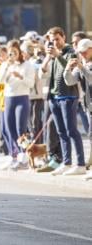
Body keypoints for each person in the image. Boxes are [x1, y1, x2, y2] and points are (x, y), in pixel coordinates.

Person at [41, 26, 85, 176]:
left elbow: (70, 71)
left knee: (71, 131)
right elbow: (45, 74)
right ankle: (66, 163)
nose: (54, 42)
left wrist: (57, 55)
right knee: (61, 132)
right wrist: (48, 58)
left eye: (57, 39)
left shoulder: (71, 52)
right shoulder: (53, 54)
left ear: (63, 37)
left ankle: (80, 164)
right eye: (52, 40)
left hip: (68, 97)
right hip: (54, 98)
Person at [0, 40, 35, 170]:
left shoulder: (27, 65)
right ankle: (16, 155)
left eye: (14, 52)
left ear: (19, 52)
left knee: (20, 129)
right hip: (9, 98)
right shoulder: (7, 65)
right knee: (9, 128)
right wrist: (7, 66)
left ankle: (24, 156)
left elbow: (30, 84)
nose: (12, 55)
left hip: (22, 97)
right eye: (10, 52)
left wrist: (20, 77)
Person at [64, 38, 92, 179]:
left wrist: (81, 67)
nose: (82, 54)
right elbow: (69, 81)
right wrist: (68, 68)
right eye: (80, 52)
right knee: (90, 135)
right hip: (88, 105)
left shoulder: (85, 66)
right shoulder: (82, 64)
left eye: (85, 51)